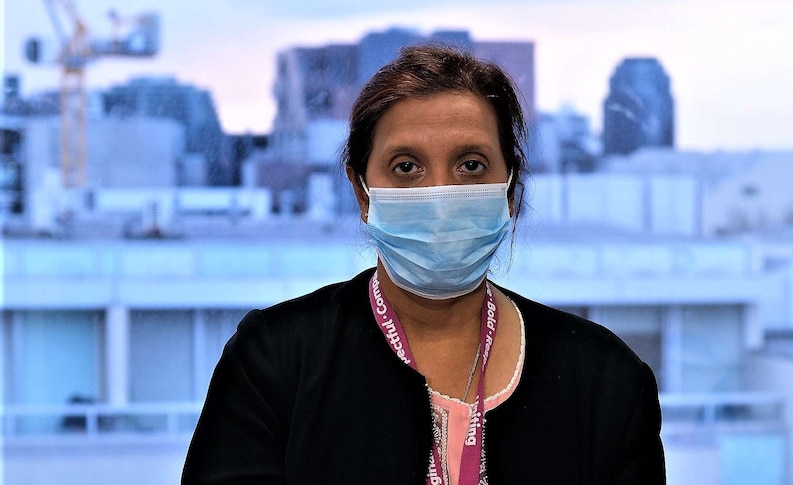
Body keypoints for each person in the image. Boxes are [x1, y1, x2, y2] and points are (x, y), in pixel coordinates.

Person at [182, 44, 665, 484]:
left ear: (511, 191)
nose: (439, 195)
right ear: (362, 193)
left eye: (471, 165)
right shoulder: (276, 361)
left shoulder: (605, 382)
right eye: (406, 167)